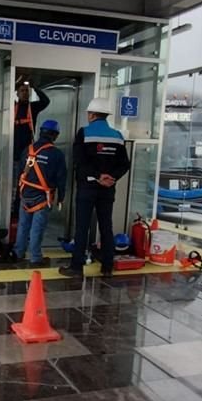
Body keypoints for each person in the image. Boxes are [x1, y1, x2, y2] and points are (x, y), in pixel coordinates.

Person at [59, 97, 130, 278]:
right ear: (106, 115)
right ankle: (107, 267)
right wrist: (111, 177)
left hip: (87, 187)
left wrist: (98, 176)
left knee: (82, 227)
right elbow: (125, 164)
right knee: (106, 226)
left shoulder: (84, 133)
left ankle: (76, 267)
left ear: (91, 115)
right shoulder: (118, 136)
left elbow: (79, 161)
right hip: (108, 189)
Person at [13, 120, 67, 266]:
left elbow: (20, 171)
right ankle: (35, 257)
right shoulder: (56, 154)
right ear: (55, 135)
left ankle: (18, 252)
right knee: (37, 228)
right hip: (43, 197)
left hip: (25, 194)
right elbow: (61, 178)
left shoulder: (28, 149)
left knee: (23, 225)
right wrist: (61, 197)